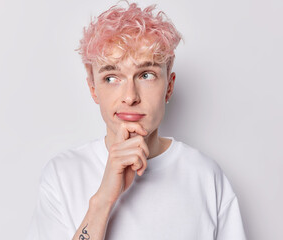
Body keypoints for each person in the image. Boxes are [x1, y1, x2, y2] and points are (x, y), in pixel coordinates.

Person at [26, 1, 247, 239]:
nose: (130, 96)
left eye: (146, 75)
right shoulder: (63, 175)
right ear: (93, 90)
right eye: (112, 78)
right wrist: (102, 201)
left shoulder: (205, 176)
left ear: (169, 86)